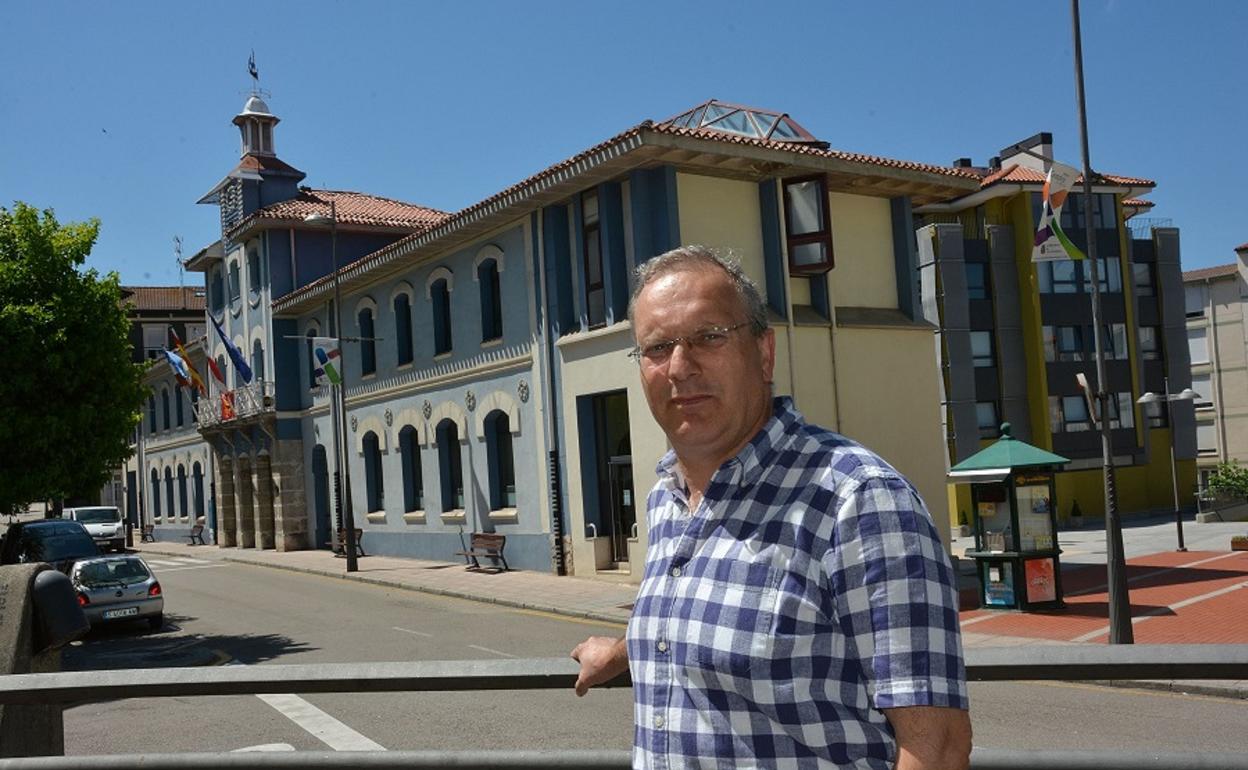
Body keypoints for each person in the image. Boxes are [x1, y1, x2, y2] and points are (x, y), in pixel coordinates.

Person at [571, 246, 971, 769]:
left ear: (764, 352)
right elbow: (718, 614)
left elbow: (938, 747)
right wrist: (625, 649)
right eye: (657, 347)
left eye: (708, 337)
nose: (679, 367)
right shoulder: (667, 499)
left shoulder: (860, 500)